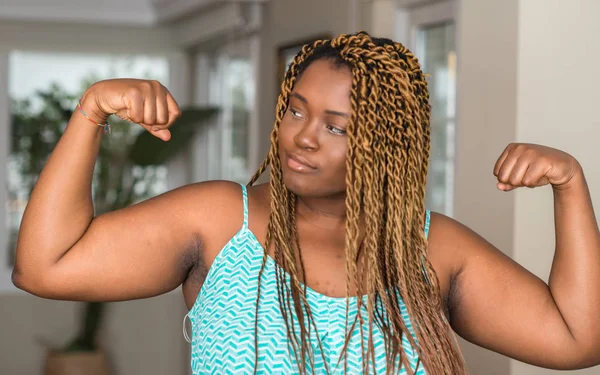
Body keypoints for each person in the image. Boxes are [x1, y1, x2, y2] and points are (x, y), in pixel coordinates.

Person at [12, 32, 600, 375]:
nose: (303, 135)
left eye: (336, 126)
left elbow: (576, 338)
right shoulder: (220, 222)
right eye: (295, 109)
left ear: (384, 146)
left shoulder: (430, 249)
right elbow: (45, 266)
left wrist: (570, 186)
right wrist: (90, 114)